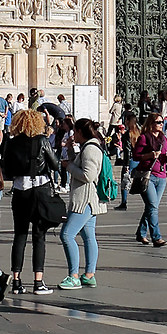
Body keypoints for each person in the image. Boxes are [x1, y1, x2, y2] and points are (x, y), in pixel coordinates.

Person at [0, 107, 61, 299]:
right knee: (39, 236)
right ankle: (38, 281)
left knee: (19, 235)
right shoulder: (42, 141)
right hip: (39, 190)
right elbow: (55, 165)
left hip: (19, 190)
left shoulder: (11, 143)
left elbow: (6, 168)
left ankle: (16, 281)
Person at [58, 119, 106, 290]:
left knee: (67, 235)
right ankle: (89, 275)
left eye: (74, 132)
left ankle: (74, 276)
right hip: (88, 199)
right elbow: (81, 166)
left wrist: (68, 166)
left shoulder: (91, 149)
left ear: (80, 132)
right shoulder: (88, 147)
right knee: (88, 236)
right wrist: (70, 151)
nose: (73, 135)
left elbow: (88, 175)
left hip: (84, 200)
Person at [133, 116, 167, 248]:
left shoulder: (164, 138)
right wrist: (149, 155)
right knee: (153, 207)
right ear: (151, 123)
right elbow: (136, 156)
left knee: (152, 207)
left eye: (162, 122)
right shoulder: (144, 138)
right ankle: (156, 237)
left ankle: (141, 232)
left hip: (161, 176)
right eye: (158, 122)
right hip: (147, 176)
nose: (161, 124)